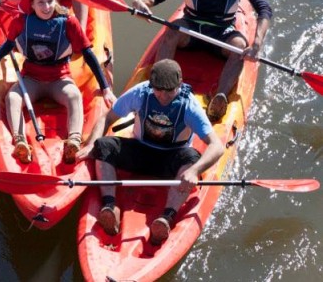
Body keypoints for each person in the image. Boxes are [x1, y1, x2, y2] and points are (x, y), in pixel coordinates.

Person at [76, 59, 225, 245]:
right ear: (151, 84)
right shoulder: (140, 93)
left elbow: (217, 146)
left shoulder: (189, 106)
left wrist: (195, 171)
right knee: (103, 145)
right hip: (140, 151)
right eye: (158, 90)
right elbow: (107, 118)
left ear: (179, 85)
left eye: (169, 91)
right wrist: (91, 144)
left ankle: (166, 218)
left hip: (171, 158)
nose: (163, 96)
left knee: (192, 158)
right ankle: (110, 206)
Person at [131, 0, 272, 122]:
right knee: (172, 30)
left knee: (239, 45)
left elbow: (264, 9)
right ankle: (160, 85)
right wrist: (142, 2)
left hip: (222, 32)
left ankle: (219, 98)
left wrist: (257, 43)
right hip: (191, 28)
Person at [0, 0, 115, 164]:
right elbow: (8, 45)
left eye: (50, 1)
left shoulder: (68, 23)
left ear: (55, 0)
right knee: (13, 97)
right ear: (32, 4)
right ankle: (21, 143)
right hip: (31, 78)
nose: (47, 7)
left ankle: (73, 141)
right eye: (41, 2)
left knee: (74, 96)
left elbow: (88, 54)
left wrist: (105, 87)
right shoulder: (22, 21)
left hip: (60, 79)